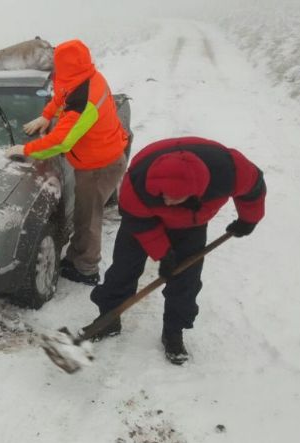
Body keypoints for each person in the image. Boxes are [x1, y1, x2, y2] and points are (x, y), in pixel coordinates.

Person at [85, 137, 266, 364]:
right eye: (163, 195)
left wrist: (249, 219)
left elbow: (254, 187)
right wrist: (164, 254)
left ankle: (173, 331)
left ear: (197, 192)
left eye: (174, 197)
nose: (168, 202)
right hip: (143, 220)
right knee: (123, 269)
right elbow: (140, 223)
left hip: (192, 225)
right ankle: (108, 318)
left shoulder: (230, 170)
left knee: (186, 280)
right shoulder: (138, 183)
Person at [5, 39, 129, 286]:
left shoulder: (85, 101)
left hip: (99, 165)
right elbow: (63, 95)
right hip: (97, 156)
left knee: (88, 218)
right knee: (85, 215)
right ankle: (76, 256)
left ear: (67, 65)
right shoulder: (84, 76)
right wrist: (46, 115)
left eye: (58, 64)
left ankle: (85, 268)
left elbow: (61, 142)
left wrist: (25, 148)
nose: (55, 69)